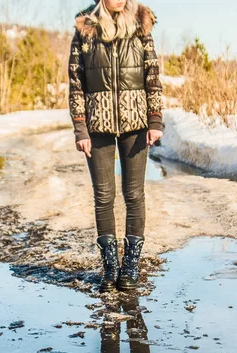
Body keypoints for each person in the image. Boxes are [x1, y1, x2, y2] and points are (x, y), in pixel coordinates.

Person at [68, 0, 164, 292]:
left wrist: (155, 119)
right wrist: (80, 128)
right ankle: (110, 267)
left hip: (135, 122)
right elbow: (76, 83)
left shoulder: (140, 24)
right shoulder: (86, 29)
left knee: (134, 194)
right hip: (97, 125)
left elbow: (152, 75)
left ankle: (130, 266)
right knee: (104, 195)